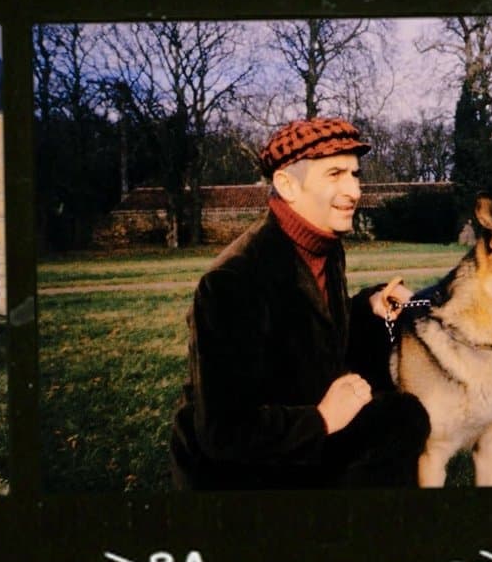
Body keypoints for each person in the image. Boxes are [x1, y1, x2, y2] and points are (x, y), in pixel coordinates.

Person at [170, 117, 429, 489]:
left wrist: (369, 303)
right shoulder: (232, 281)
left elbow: (304, 324)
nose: (354, 191)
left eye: (354, 174)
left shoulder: (324, 246)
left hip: (299, 430)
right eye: (335, 174)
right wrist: (321, 419)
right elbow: (223, 431)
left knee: (403, 415)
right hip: (242, 470)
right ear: (287, 185)